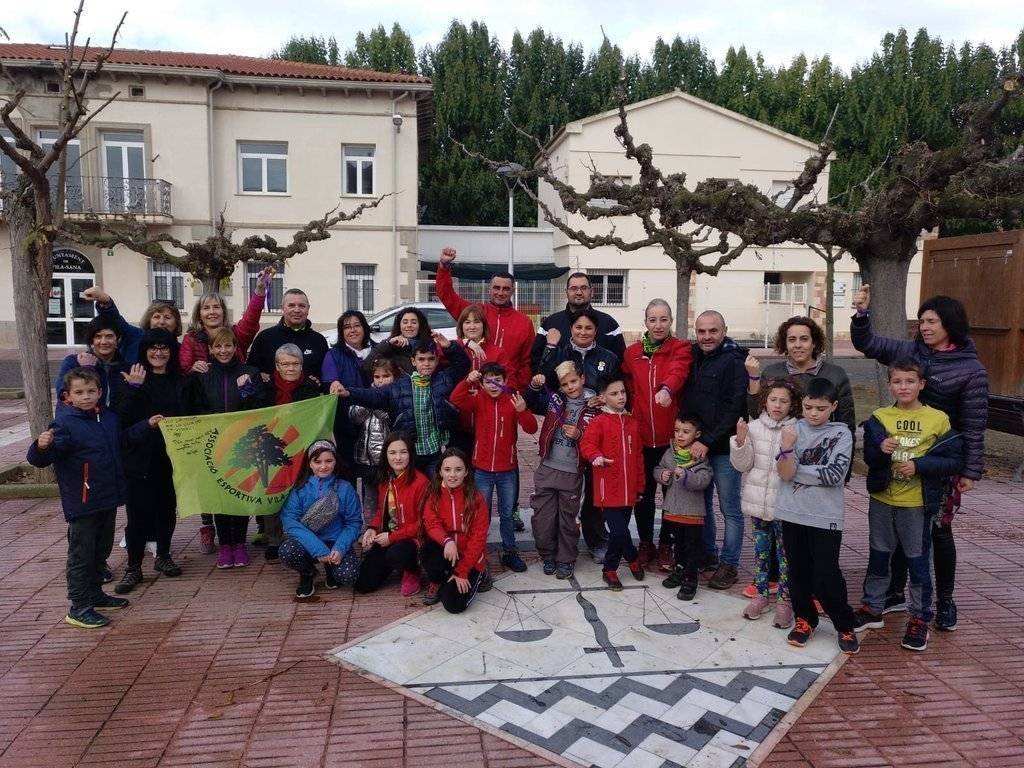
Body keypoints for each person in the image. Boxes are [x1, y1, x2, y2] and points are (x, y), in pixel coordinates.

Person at [851, 285, 988, 631]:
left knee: (938, 533)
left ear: (950, 324)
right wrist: (861, 315)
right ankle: (895, 592)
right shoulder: (913, 350)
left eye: (932, 322)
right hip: (901, 457)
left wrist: (969, 470)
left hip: (939, 461)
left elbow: (974, 424)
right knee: (898, 526)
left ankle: (943, 602)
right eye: (922, 321)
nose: (925, 327)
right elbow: (870, 344)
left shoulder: (970, 369)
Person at [855, 359, 963, 652]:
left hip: (916, 503)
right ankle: (872, 608)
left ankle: (919, 617)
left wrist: (919, 465)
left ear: (921, 384)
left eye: (910, 381)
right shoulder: (880, 416)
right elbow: (870, 459)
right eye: (898, 381)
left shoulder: (937, 418)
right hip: (882, 500)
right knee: (879, 555)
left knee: (918, 560)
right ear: (889, 384)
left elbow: (953, 459)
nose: (903, 387)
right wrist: (880, 450)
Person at [27, 367, 129, 628]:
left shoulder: (108, 418)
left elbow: (123, 443)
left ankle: (95, 593)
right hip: (82, 502)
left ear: (100, 392)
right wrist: (41, 446)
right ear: (68, 396)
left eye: (91, 391)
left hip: (107, 497)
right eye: (79, 392)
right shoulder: (64, 423)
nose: (86, 396)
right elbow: (42, 459)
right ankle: (79, 606)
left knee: (101, 550)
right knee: (81, 554)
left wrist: (146, 426)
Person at [179, 269, 270, 552]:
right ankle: (209, 526)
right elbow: (181, 371)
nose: (211, 311)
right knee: (211, 479)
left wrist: (259, 294)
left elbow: (251, 322)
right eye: (206, 307)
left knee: (238, 478)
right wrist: (191, 370)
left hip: (238, 417)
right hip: (208, 418)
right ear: (199, 313)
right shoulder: (192, 340)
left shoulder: (236, 337)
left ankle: (239, 539)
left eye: (216, 306)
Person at [774, 377, 858, 655]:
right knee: (797, 571)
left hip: (825, 516)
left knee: (826, 573)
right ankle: (804, 619)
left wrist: (796, 468)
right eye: (809, 407)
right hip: (792, 513)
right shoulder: (791, 430)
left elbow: (835, 475)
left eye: (820, 408)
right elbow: (783, 473)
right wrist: (788, 450)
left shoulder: (842, 433)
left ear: (833, 406)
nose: (813, 413)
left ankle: (844, 623)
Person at [621, 299, 693, 571]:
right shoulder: (632, 353)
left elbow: (679, 371)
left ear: (671, 320)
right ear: (646, 322)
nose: (658, 325)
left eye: (663, 319)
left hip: (671, 440)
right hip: (641, 438)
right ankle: (646, 544)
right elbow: (626, 384)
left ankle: (666, 545)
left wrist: (666, 389)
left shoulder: (680, 348)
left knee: (672, 495)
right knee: (644, 494)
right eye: (653, 319)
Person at [113, 329, 186, 593]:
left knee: (166, 510)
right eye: (153, 348)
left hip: (170, 459)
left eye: (164, 348)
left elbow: (192, 413)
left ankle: (163, 556)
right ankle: (133, 568)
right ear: (144, 351)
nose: (158, 353)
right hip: (138, 459)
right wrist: (133, 388)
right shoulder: (131, 378)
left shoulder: (180, 380)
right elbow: (119, 419)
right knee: (138, 516)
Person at [335, 334, 469, 476]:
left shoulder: (444, 379)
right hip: (409, 454)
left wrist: (449, 347)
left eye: (431, 359)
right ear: (413, 361)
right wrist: (349, 393)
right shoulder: (400, 385)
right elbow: (375, 395)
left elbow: (463, 364)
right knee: (407, 493)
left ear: (437, 361)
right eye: (421, 359)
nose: (426, 363)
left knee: (433, 493)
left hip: (434, 453)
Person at [182, 327, 261, 568]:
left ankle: (239, 544)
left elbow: (260, 408)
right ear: (211, 349)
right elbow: (194, 406)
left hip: (242, 445)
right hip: (213, 444)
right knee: (220, 497)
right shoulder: (204, 374)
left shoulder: (250, 372)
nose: (223, 350)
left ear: (236, 347)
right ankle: (225, 545)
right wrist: (216, 422)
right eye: (218, 346)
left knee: (239, 494)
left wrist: (247, 390)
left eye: (228, 345)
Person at [681, 310, 748, 590]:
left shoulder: (734, 361)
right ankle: (708, 554)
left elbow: (735, 407)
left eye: (713, 331)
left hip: (720, 448)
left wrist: (707, 440)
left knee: (729, 508)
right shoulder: (693, 356)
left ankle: (729, 564)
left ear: (724, 330)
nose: (707, 336)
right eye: (701, 331)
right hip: (698, 445)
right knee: (702, 505)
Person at [450, 363, 538, 573]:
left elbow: (531, 427)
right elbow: (456, 399)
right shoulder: (478, 399)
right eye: (488, 380)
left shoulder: (513, 401)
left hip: (507, 469)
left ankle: (510, 551)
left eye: (498, 379)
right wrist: (468, 380)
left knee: (507, 513)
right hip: (482, 470)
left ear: (505, 381)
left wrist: (523, 411)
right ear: (482, 383)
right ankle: (479, 552)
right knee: (482, 513)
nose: (493, 384)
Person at [730, 379, 801, 628]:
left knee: (785, 556)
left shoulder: (796, 430)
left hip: (783, 508)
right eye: (773, 400)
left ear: (793, 405)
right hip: (757, 505)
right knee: (761, 554)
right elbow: (743, 465)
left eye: (784, 401)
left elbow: (794, 470)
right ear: (765, 401)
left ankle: (784, 600)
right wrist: (740, 442)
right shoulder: (754, 427)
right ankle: (761, 594)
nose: (778, 405)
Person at [242, 343, 324, 562]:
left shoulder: (311, 387)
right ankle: (275, 539)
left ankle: (305, 535)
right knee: (273, 494)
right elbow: (253, 411)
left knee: (301, 494)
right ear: (277, 366)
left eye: (295, 363)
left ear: (302, 365)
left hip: (300, 448)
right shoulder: (265, 387)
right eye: (285, 363)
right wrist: (246, 390)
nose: (290, 368)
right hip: (271, 450)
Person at [526, 360, 600, 580]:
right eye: (565, 384)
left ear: (582, 379)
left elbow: (599, 438)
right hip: (547, 466)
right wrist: (534, 386)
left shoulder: (595, 406)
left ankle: (566, 560)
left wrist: (579, 436)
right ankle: (547, 555)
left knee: (568, 520)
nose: (570, 387)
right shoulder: (555, 399)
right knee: (542, 518)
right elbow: (530, 402)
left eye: (574, 381)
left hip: (572, 472)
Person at [434, 247, 534, 393]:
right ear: (489, 289)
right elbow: (447, 295)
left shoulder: (524, 322)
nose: (500, 293)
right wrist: (444, 267)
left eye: (506, 289)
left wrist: (516, 390)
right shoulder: (475, 312)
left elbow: (526, 363)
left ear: (513, 291)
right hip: (470, 389)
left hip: (505, 392)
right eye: (496, 288)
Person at [579, 376, 646, 591]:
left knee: (621, 530)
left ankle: (630, 557)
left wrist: (640, 486)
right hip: (608, 489)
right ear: (603, 397)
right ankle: (612, 568)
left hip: (629, 491)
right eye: (614, 393)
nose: (620, 397)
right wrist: (595, 456)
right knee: (617, 531)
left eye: (623, 392)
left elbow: (638, 457)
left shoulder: (632, 422)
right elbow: (587, 444)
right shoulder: (599, 421)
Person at [279, 440, 362, 598]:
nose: (323, 466)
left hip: (335, 542)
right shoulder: (299, 489)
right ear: (309, 464)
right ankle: (308, 572)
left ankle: (331, 567)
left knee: (348, 575)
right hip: (308, 542)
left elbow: (354, 523)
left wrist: (340, 548)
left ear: (335, 462)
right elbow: (290, 522)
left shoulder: (345, 488)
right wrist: (318, 549)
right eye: (317, 462)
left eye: (328, 461)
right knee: (287, 551)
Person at [745, 316, 855, 436]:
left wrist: (844, 451)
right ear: (785, 343)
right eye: (792, 339)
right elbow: (757, 413)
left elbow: (846, 421)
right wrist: (753, 377)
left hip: (820, 447)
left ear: (814, 343)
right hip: (779, 447)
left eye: (804, 339)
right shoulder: (772, 373)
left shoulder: (835, 374)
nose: (798, 345)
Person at [354, 434, 430, 596]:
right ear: (385, 455)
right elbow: (382, 510)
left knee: (397, 553)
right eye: (392, 453)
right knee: (363, 584)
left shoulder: (421, 482)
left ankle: (412, 569)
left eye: (403, 452)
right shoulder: (385, 479)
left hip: (411, 539)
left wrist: (392, 538)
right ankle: (396, 564)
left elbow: (424, 523)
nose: (398, 457)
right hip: (389, 536)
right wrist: (372, 528)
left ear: (410, 454)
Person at [420, 448, 490, 612]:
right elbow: (431, 524)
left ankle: (480, 574)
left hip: (468, 558)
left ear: (466, 472)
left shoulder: (476, 498)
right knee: (428, 550)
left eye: (458, 470)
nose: (452, 475)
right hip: (448, 551)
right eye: (447, 469)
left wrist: (462, 572)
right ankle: (437, 581)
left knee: (453, 605)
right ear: (440, 471)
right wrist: (447, 540)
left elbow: (478, 538)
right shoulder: (433, 494)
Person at [656, 415, 713, 601]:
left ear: (697, 434)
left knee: (692, 546)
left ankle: (691, 578)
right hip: (673, 510)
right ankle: (679, 570)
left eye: (686, 432)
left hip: (692, 513)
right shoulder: (670, 452)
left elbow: (704, 479)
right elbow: (658, 468)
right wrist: (661, 475)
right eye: (677, 430)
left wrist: (687, 476)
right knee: (677, 544)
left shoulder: (699, 456)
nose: (680, 435)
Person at [449, 304, 512, 456]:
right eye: (467, 322)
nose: (472, 326)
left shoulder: (497, 352)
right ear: (461, 325)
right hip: (459, 422)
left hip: (487, 423)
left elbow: (508, 384)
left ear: (484, 325)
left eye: (476, 321)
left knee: (483, 471)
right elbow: (432, 349)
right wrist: (465, 342)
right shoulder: (454, 348)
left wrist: (485, 392)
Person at [530, 272, 625, 371]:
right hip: (558, 386)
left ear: (591, 292)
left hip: (600, 386)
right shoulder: (551, 323)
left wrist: (613, 384)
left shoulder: (608, 323)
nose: (579, 292)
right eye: (573, 288)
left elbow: (621, 362)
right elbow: (535, 360)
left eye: (584, 288)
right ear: (566, 292)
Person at [82, 286, 183, 364]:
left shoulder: (182, 350)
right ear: (149, 320)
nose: (161, 322)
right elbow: (115, 319)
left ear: (176, 323)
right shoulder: (134, 336)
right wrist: (105, 301)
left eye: (167, 317)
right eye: (156, 317)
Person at [348, 358, 396, 520]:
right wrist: (368, 399)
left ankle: (389, 528)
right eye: (377, 377)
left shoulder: (396, 395)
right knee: (369, 498)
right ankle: (369, 528)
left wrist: (376, 401)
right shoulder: (365, 393)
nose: (381, 380)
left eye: (386, 376)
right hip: (367, 458)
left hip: (388, 459)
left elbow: (390, 418)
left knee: (390, 497)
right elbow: (354, 416)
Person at [247, 288, 328, 378]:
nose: (297, 310)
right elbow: (250, 370)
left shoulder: (319, 341)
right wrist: (259, 376)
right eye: (291, 305)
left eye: (301, 306)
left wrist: (318, 382)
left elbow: (326, 376)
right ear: (282, 308)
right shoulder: (265, 338)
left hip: (310, 392)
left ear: (308, 309)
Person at [535, 309, 620, 393]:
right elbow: (543, 382)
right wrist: (550, 348)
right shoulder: (558, 355)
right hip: (565, 406)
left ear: (595, 331)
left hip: (599, 406)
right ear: (571, 329)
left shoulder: (609, 358)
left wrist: (603, 399)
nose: (583, 332)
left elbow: (616, 390)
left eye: (588, 328)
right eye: (578, 327)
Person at [55, 315, 127, 408]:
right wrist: (87, 370)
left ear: (118, 339)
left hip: (111, 420)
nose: (104, 342)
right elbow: (62, 395)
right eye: (98, 337)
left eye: (109, 336)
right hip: (80, 420)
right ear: (91, 340)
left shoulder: (124, 366)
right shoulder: (73, 362)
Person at [363, 306, 437, 377]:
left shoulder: (429, 346)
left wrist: (448, 347)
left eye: (414, 322)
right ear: (399, 325)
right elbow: (366, 367)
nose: (409, 325)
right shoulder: (389, 347)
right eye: (405, 322)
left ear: (420, 325)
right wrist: (388, 344)